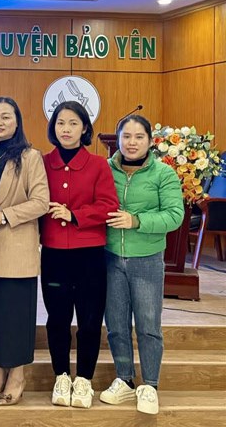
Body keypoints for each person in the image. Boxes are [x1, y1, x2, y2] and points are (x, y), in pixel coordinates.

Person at [99, 114, 183, 415]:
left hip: (146, 259)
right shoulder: (104, 170)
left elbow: (175, 215)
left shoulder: (163, 174)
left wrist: (137, 221)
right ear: (117, 140)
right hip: (110, 257)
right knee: (117, 325)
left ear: (150, 141)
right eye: (126, 136)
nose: (131, 143)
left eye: (138, 137)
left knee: (148, 326)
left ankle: (150, 384)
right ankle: (124, 379)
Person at [40, 101, 119, 409]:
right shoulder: (43, 162)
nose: (66, 130)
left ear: (85, 128)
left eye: (73, 123)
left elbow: (109, 206)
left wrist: (75, 215)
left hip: (89, 254)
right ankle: (61, 375)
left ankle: (84, 379)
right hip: (55, 254)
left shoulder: (100, 164)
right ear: (53, 127)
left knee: (89, 319)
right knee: (57, 319)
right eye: (61, 123)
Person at [0, 97, 49, 407]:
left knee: (15, 318)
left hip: (15, 247)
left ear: (17, 121)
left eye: (6, 117)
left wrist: (4, 216)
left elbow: (41, 202)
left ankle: (16, 376)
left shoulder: (30, 156)